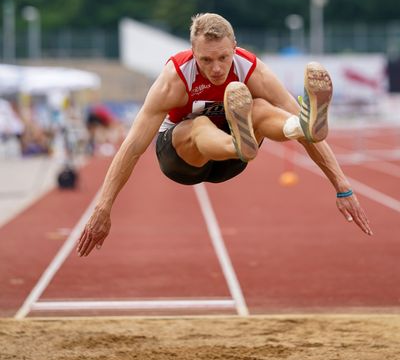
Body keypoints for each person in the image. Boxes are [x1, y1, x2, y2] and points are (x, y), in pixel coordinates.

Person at [77, 13, 372, 257]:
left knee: (260, 107)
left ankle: (294, 126)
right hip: (182, 158)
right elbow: (132, 147)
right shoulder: (175, 80)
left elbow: (310, 137)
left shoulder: (251, 70)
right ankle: (238, 142)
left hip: (232, 160)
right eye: (206, 60)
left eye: (223, 57)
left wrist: (343, 187)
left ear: (235, 47)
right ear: (193, 53)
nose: (217, 68)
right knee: (200, 125)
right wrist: (104, 207)